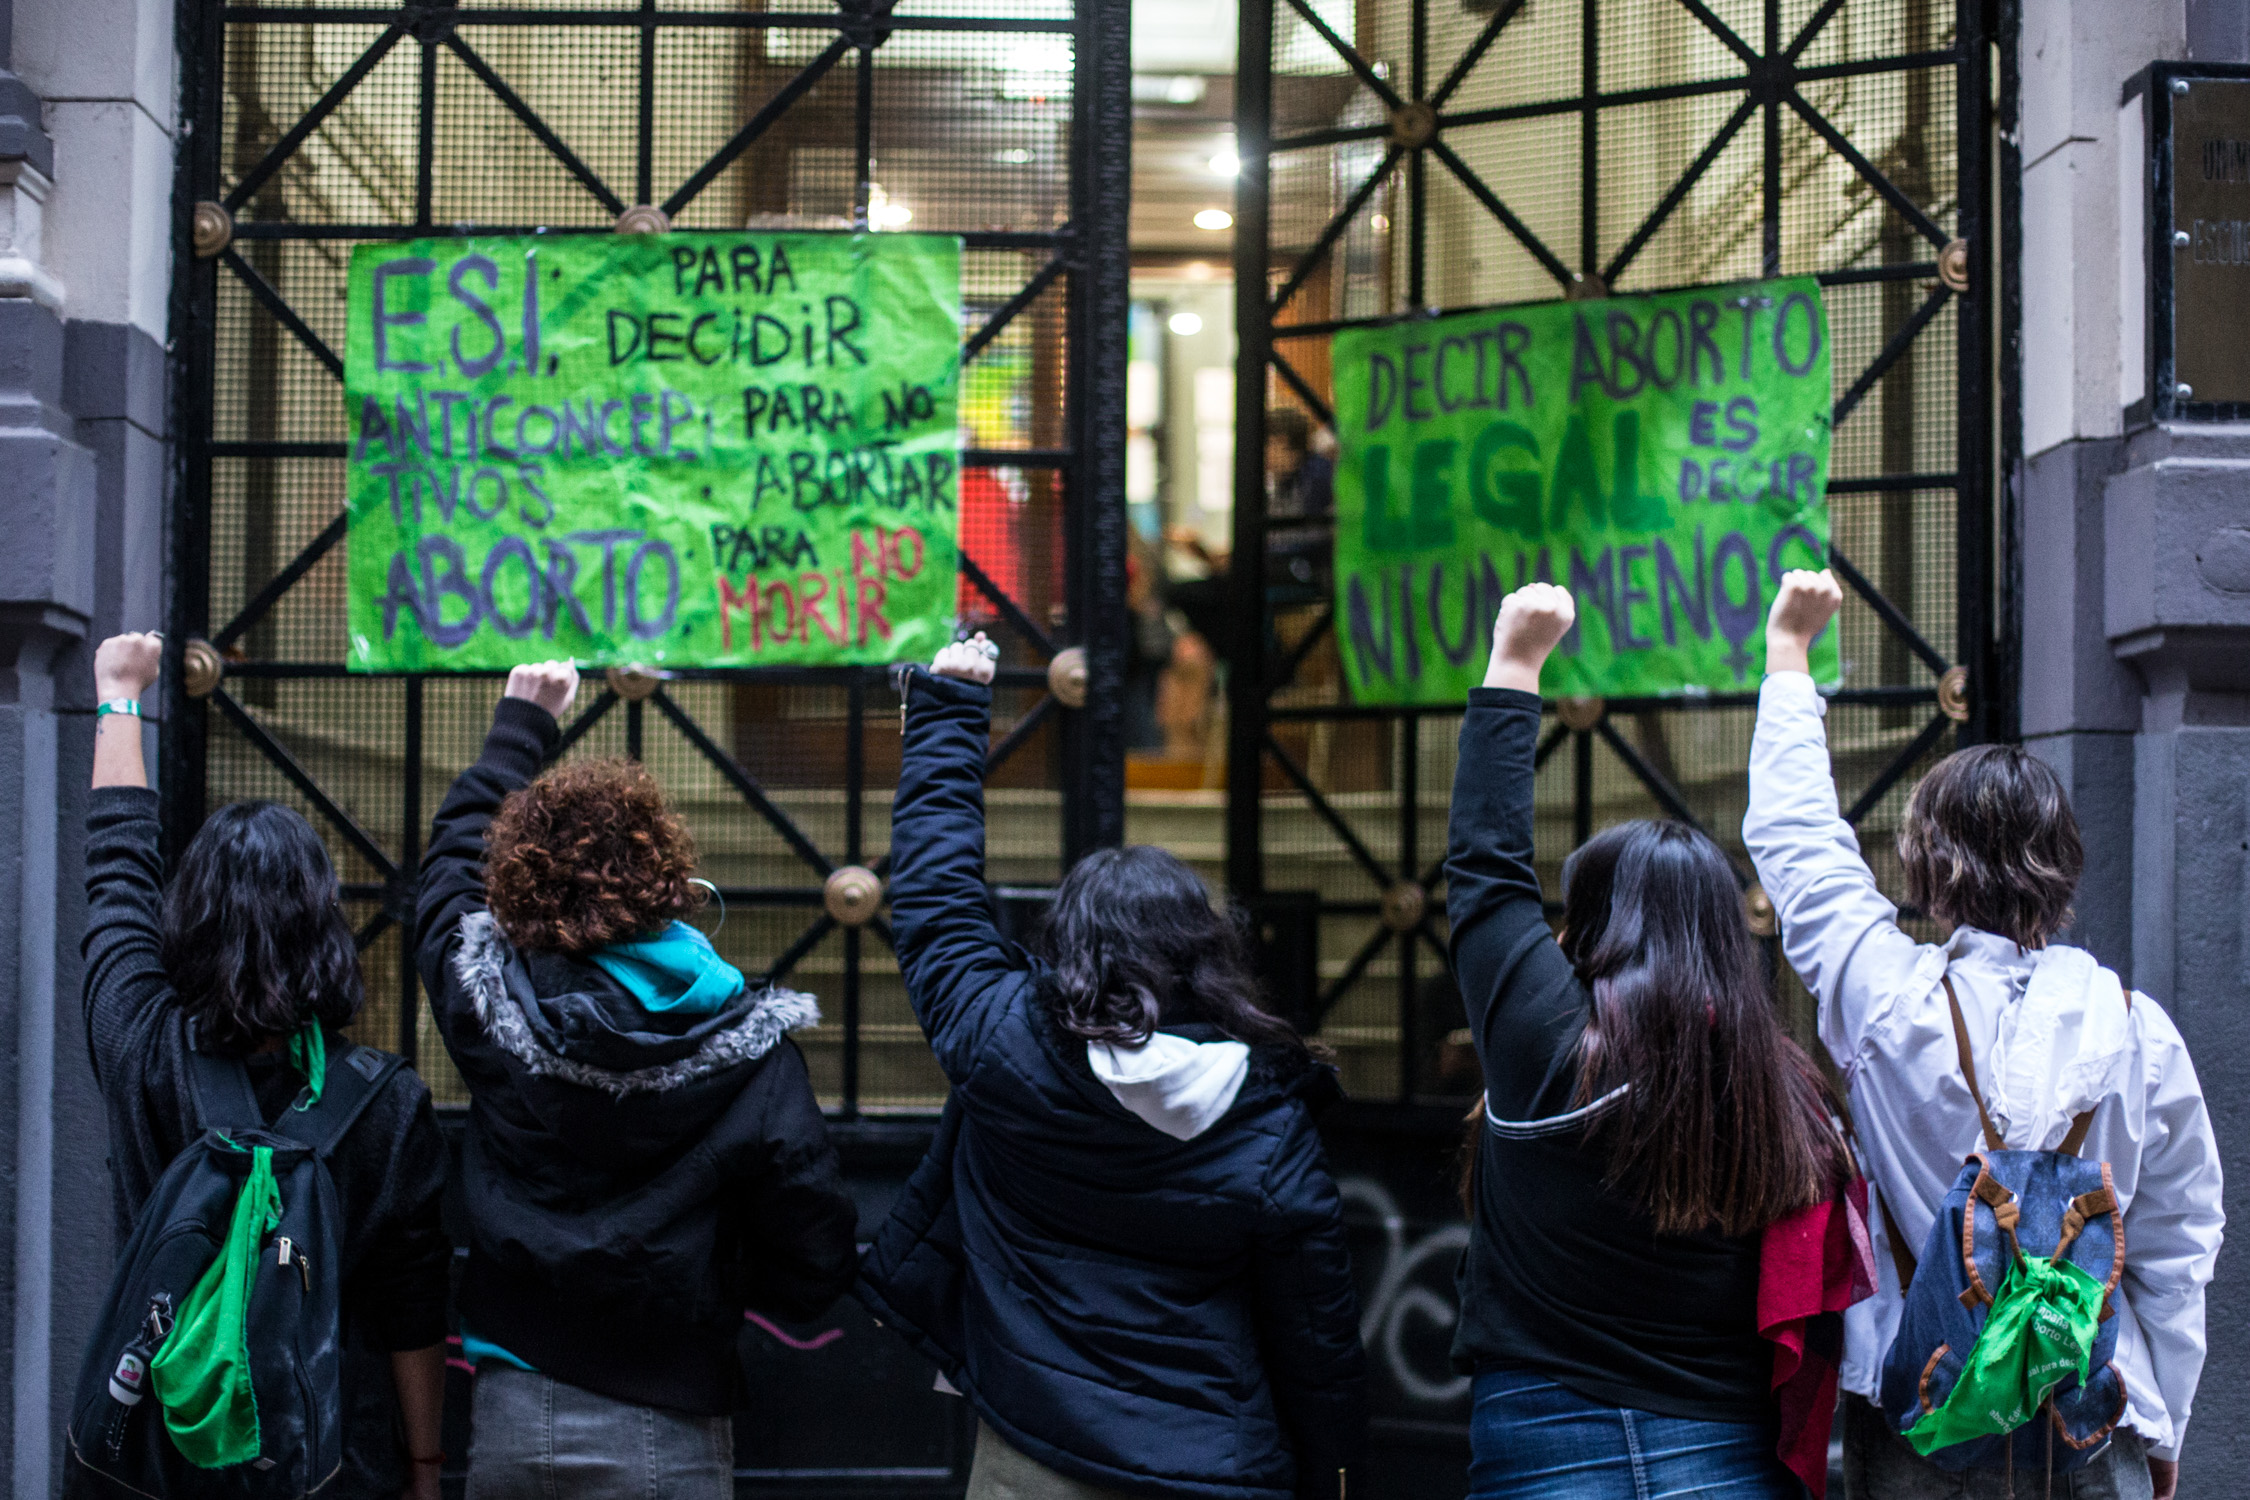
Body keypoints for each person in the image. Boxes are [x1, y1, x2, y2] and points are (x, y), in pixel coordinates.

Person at [1744, 570, 2223, 1500]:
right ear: (2063, 866)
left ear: (1925, 865)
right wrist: (2163, 1426)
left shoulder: (1886, 1002)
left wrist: (1789, 657)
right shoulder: (2141, 1034)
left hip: (1928, 1420)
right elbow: (2175, 1255)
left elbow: (1797, 841)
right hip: (2092, 1424)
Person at [857, 632, 1367, 1500]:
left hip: (1031, 1461)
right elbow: (1315, 1342)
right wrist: (1329, 1478)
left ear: (1068, 946)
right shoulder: (1268, 1124)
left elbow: (936, 896)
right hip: (1213, 1469)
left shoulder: (1000, 1041)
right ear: (1203, 955)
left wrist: (948, 711)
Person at [1446, 585, 1858, 1500]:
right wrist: (1786, 658)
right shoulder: (1783, 1097)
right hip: (1726, 1458)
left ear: (1590, 930)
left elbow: (1486, 871)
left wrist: (1514, 665)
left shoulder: (1542, 1046)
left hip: (1542, 1450)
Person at [415, 661, 858, 1500]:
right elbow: (815, 1240)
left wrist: (523, 719)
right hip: (669, 1425)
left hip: (508, 1411)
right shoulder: (752, 1052)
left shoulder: (486, 1005)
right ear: (667, 877)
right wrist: (724, 1289)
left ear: (517, 882)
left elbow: (442, 879)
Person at [77, 632, 449, 1498]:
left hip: (157, 1463)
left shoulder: (140, 1040)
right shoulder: (385, 1105)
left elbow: (116, 872)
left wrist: (119, 691)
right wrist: (425, 1469)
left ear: (185, 922)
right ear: (325, 925)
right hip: (324, 1465)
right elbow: (411, 1308)